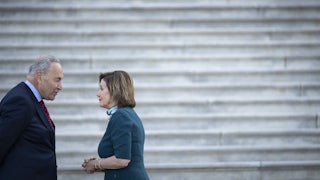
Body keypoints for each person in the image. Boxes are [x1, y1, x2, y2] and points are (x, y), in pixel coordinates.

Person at [0, 55, 63, 180]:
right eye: (57, 80)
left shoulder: (31, 98)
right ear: (39, 76)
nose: (60, 86)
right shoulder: (20, 100)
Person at [82, 70, 149, 180]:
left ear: (115, 91)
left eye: (102, 89)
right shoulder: (127, 114)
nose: (97, 93)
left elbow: (122, 160)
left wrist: (96, 164)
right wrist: (98, 164)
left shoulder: (121, 116)